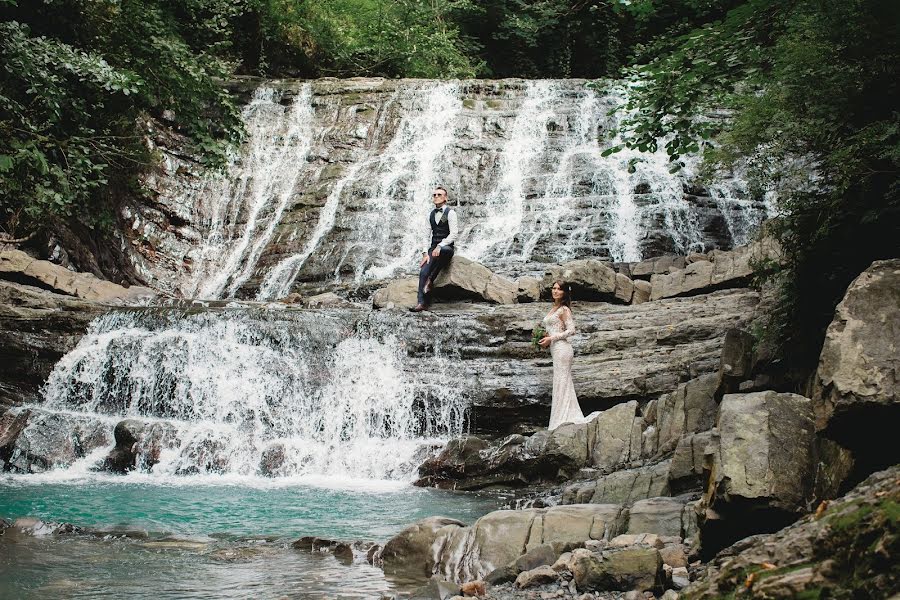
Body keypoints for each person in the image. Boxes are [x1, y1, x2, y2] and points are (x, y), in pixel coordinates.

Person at [538, 281, 585, 429]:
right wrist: (546, 336)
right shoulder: (553, 308)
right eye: (554, 288)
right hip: (555, 349)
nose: (555, 291)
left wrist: (551, 338)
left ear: (564, 292)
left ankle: (562, 420)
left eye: (559, 289)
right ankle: (562, 417)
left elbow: (572, 330)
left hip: (563, 349)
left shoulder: (564, 309)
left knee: (562, 381)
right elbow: (554, 328)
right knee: (560, 382)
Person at [410, 186, 458, 312]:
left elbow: (454, 234)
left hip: (446, 247)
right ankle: (421, 302)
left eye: (439, 194)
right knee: (423, 271)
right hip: (433, 248)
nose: (436, 197)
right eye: (434, 195)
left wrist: (441, 245)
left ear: (445, 198)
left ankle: (431, 279)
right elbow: (425, 235)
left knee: (444, 251)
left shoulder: (451, 213)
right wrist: (425, 253)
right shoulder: (430, 215)